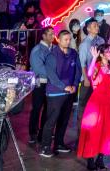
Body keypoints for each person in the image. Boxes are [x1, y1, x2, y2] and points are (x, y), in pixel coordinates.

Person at [39, 30, 81, 158]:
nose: (68, 42)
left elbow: (77, 71)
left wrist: (74, 85)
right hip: (55, 93)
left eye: (69, 39)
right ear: (59, 40)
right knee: (51, 120)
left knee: (64, 120)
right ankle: (45, 147)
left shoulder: (73, 53)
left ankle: (59, 143)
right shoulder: (52, 55)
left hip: (69, 92)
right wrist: (64, 87)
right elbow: (51, 75)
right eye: (65, 39)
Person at [77, 44, 110, 170]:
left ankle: (100, 159)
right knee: (94, 131)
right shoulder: (97, 66)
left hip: (109, 101)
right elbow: (89, 75)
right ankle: (90, 161)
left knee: (107, 130)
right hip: (97, 102)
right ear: (101, 54)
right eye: (108, 52)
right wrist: (94, 58)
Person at [76, 19, 105, 139]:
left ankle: (95, 133)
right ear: (88, 28)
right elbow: (82, 63)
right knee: (83, 107)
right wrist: (86, 80)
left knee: (97, 107)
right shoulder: (84, 44)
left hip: (99, 79)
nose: (97, 27)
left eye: (97, 25)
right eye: (94, 25)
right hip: (87, 79)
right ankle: (81, 136)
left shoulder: (101, 40)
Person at [27, 26, 55, 144]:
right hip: (40, 83)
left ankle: (43, 131)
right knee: (37, 108)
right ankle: (33, 133)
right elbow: (39, 69)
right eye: (50, 34)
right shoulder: (37, 50)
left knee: (47, 109)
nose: (53, 36)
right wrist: (54, 74)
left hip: (50, 83)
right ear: (43, 36)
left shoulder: (53, 48)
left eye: (53, 34)